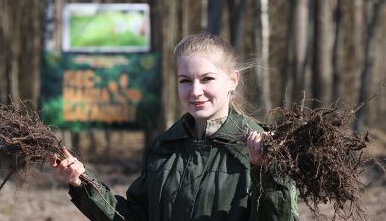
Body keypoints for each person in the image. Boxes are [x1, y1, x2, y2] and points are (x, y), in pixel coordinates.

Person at [50, 32, 299, 221]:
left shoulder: (264, 149)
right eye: (185, 81)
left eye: (207, 79)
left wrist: (266, 172)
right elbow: (132, 217)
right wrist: (82, 182)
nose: (195, 91)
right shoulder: (162, 147)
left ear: (232, 81)